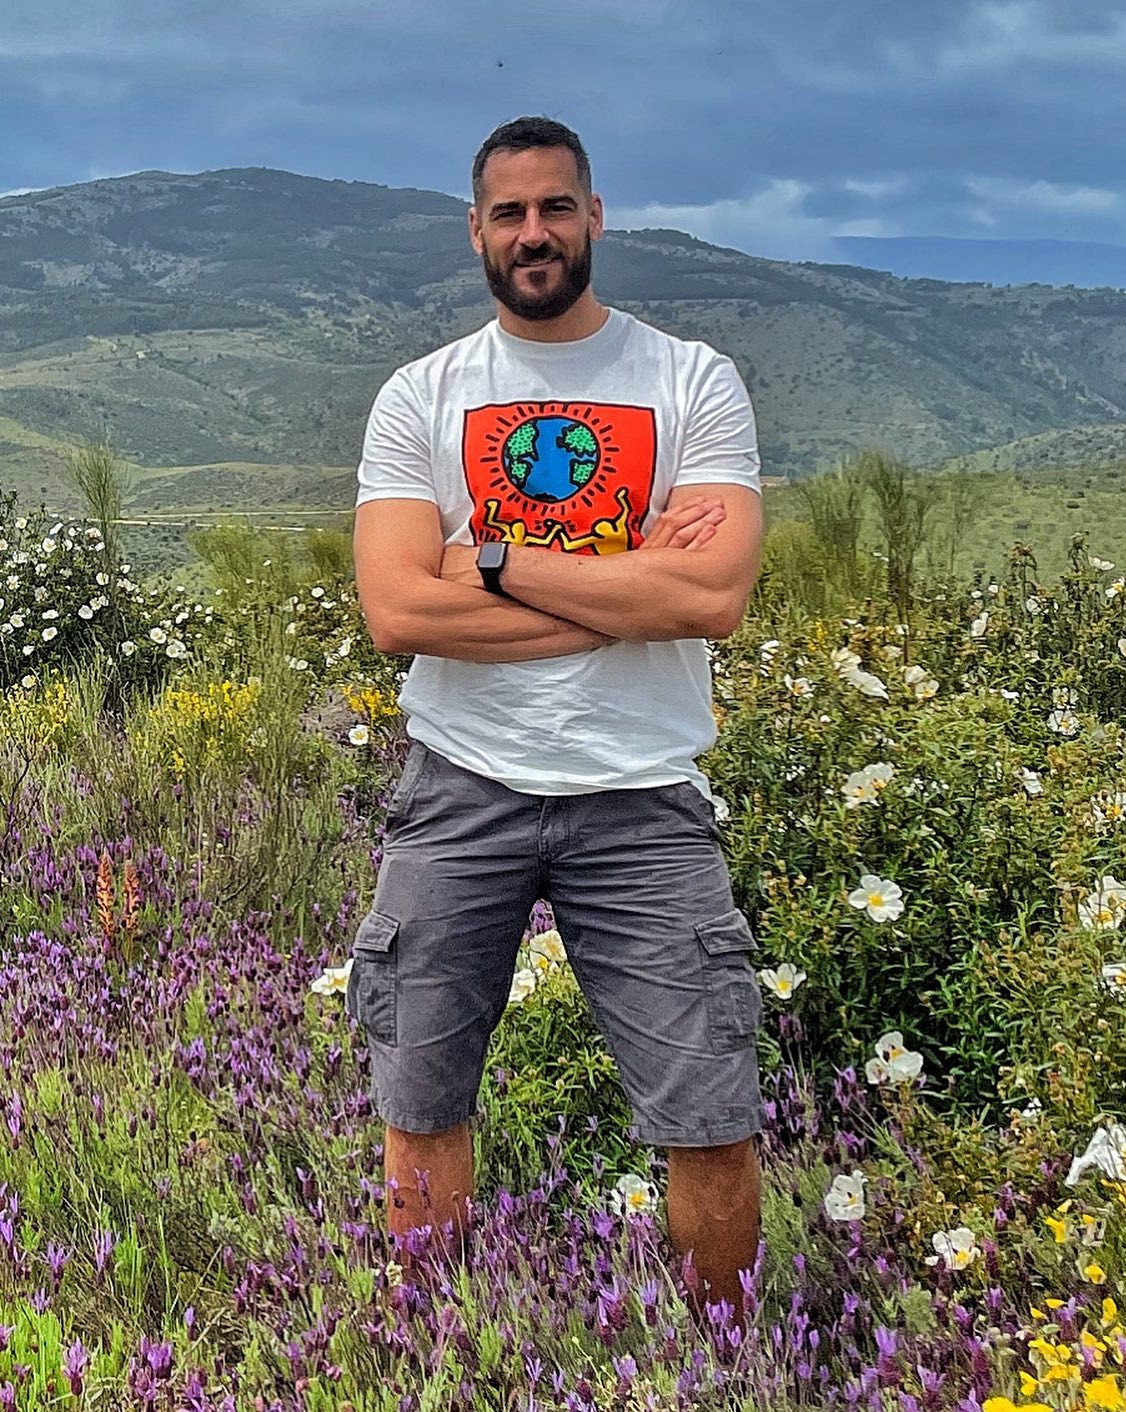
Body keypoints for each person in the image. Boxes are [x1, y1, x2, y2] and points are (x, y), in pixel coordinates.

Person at [350, 114, 766, 1316]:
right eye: (510, 212)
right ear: (475, 231)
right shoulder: (422, 395)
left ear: (594, 216)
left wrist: (484, 559)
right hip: (460, 784)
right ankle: (427, 1346)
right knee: (421, 1099)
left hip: (642, 792)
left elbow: (710, 596)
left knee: (711, 1112)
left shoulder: (690, 380)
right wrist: (626, 584)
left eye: (555, 207)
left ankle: (731, 1360)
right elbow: (396, 610)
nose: (533, 232)